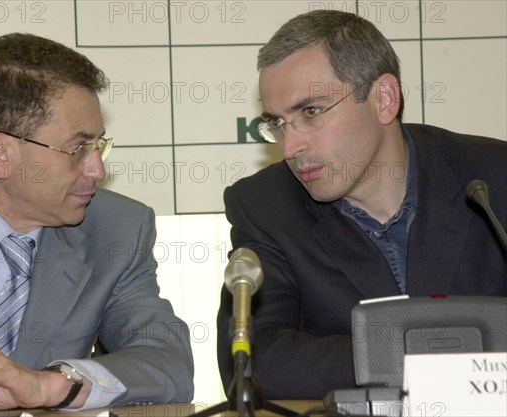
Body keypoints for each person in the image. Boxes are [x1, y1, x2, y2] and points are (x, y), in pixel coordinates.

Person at [217, 9, 507, 400]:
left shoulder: (492, 178)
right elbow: (254, 361)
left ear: (384, 98)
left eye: (311, 111)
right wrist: (428, 358)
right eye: (278, 123)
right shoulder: (265, 206)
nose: (290, 147)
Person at [0, 33, 193, 416]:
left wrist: (52, 384)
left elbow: (168, 363)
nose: (98, 170)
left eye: (99, 146)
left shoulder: (117, 229)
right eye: (77, 149)